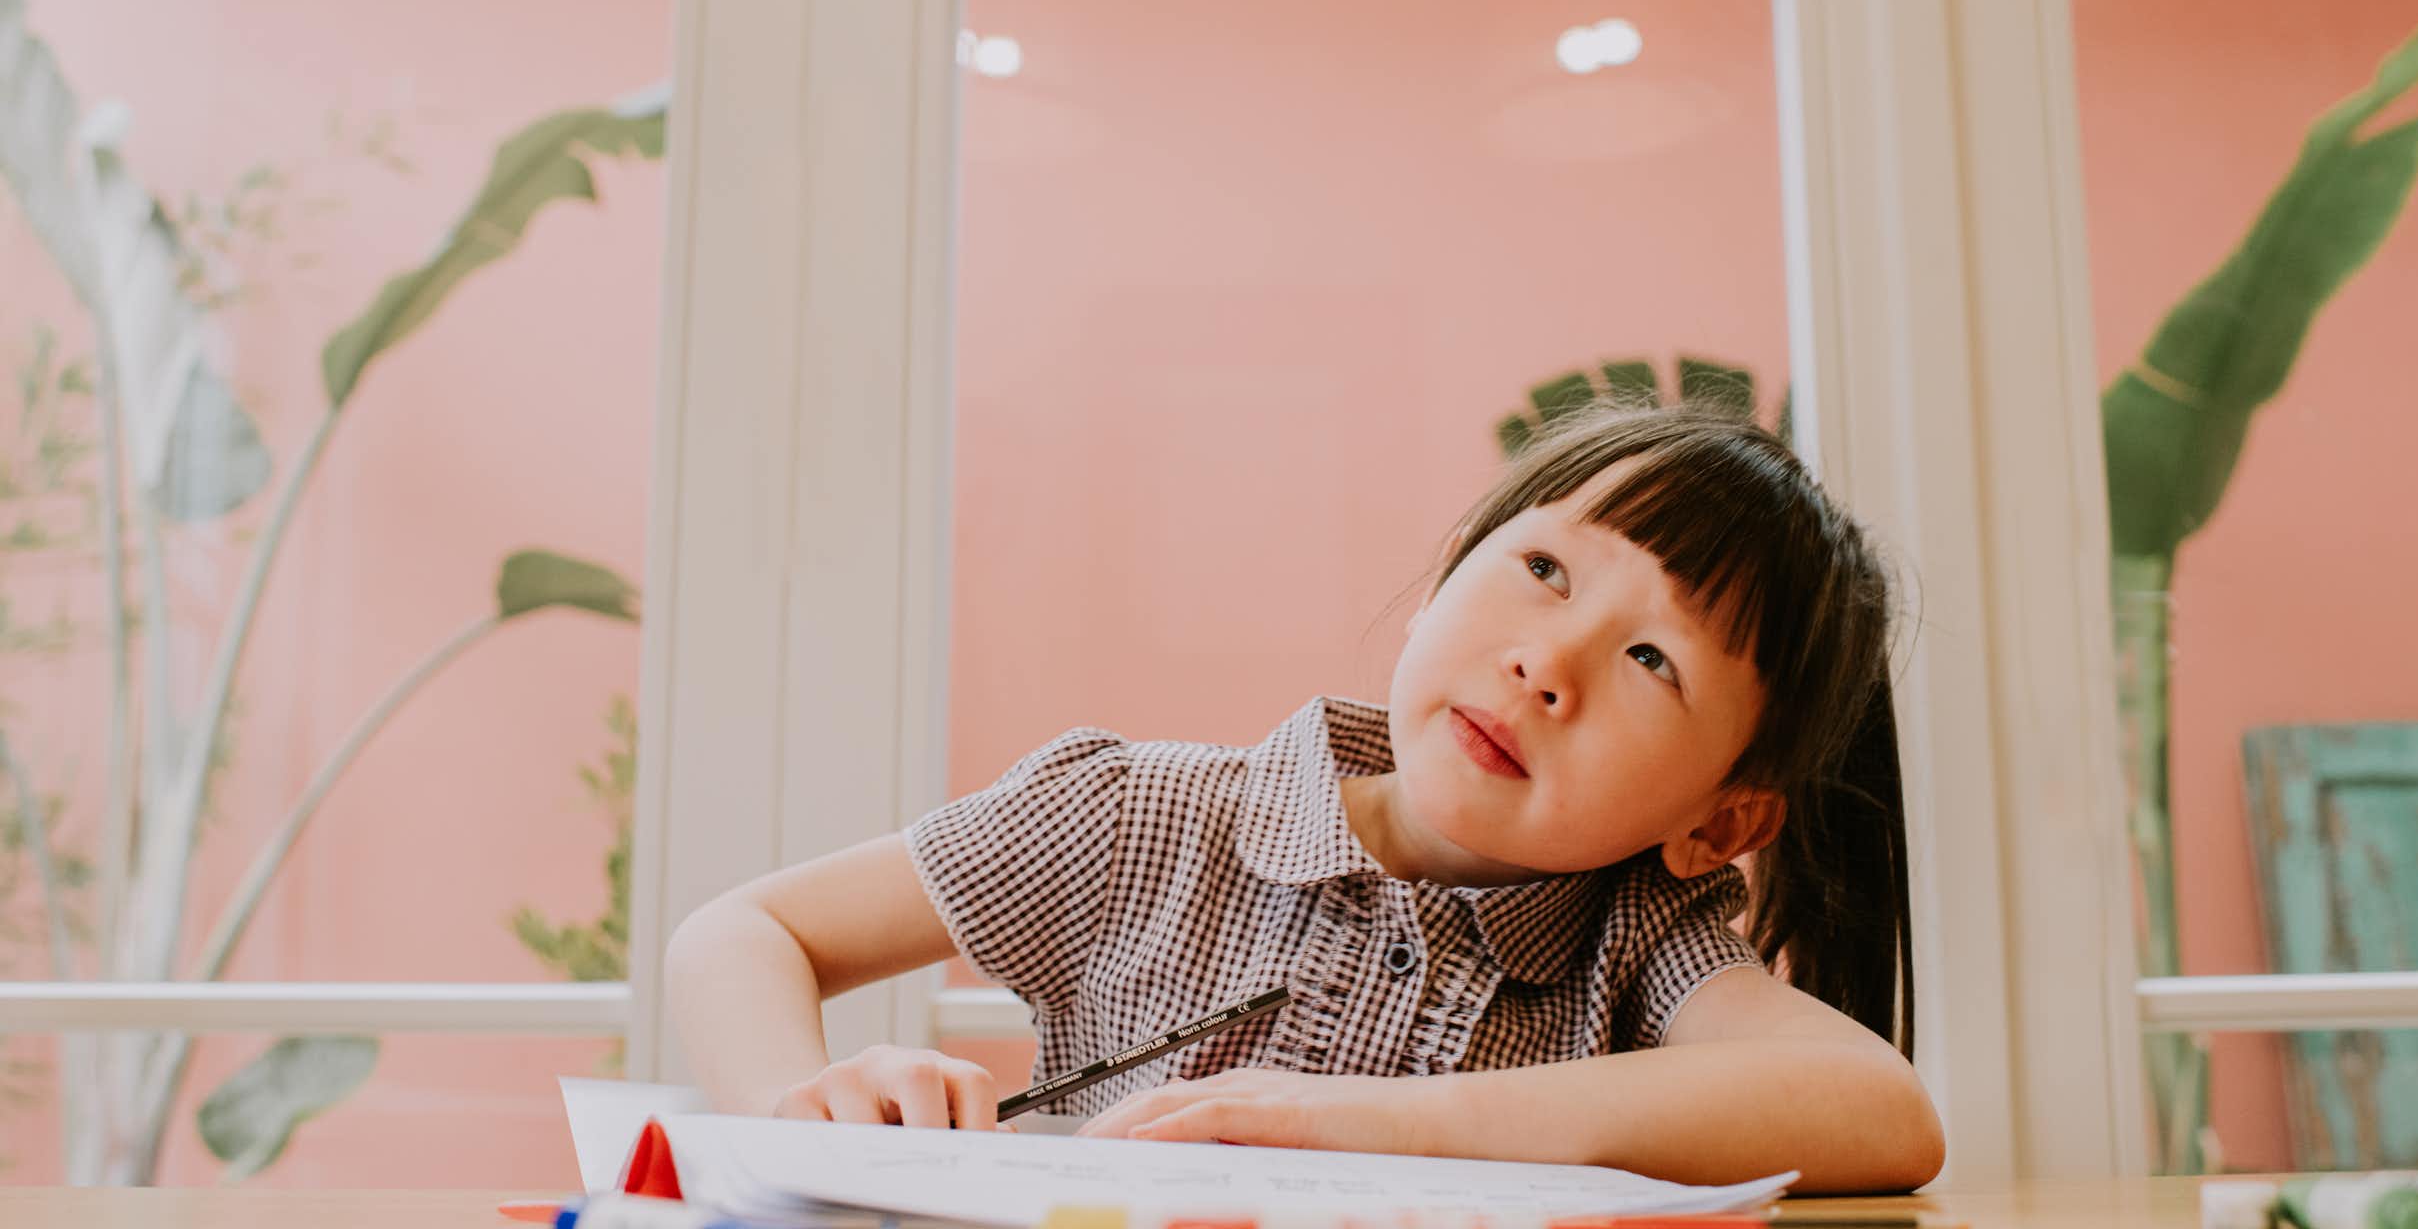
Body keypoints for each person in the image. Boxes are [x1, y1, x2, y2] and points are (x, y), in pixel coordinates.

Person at [666, 399, 1945, 1193]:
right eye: (1544, 569)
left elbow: (1878, 1110)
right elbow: (743, 933)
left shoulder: (1637, 948)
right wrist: (798, 1118)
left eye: (1653, 660)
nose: (1545, 666)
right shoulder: (1145, 819)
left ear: (1720, 821)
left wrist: (1356, 1126)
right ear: (1449, 571)